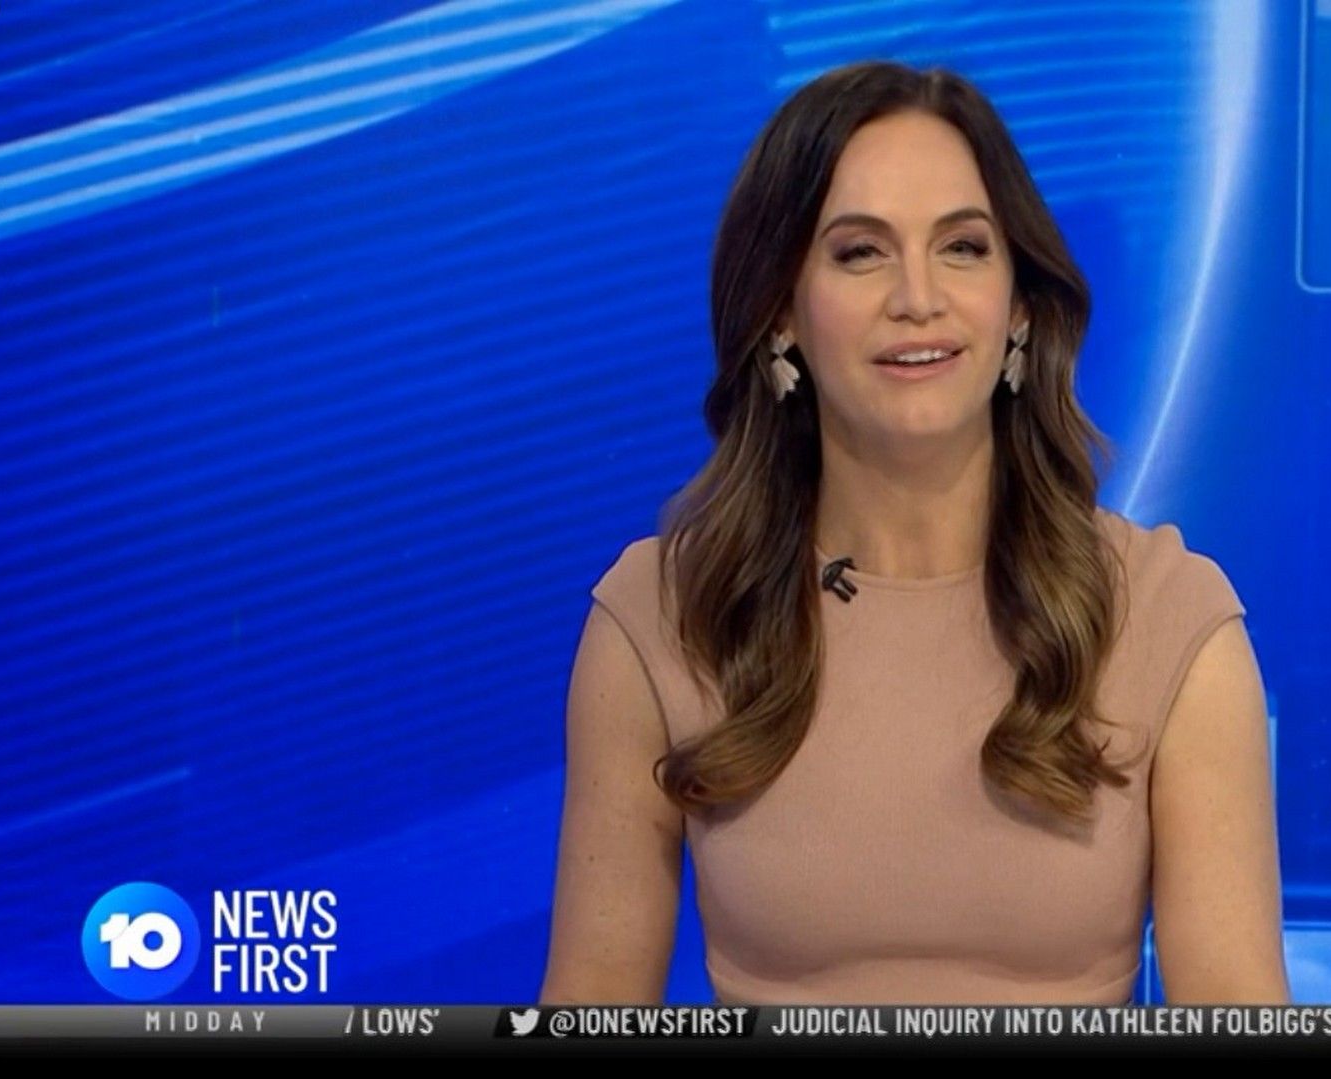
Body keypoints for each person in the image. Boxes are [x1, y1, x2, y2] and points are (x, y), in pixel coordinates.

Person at [539, 60, 1285, 1005]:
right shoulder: (661, 616)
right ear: (781, 312)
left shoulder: (1170, 620)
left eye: (963, 247)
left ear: (1020, 306)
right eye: (861, 253)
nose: (918, 297)